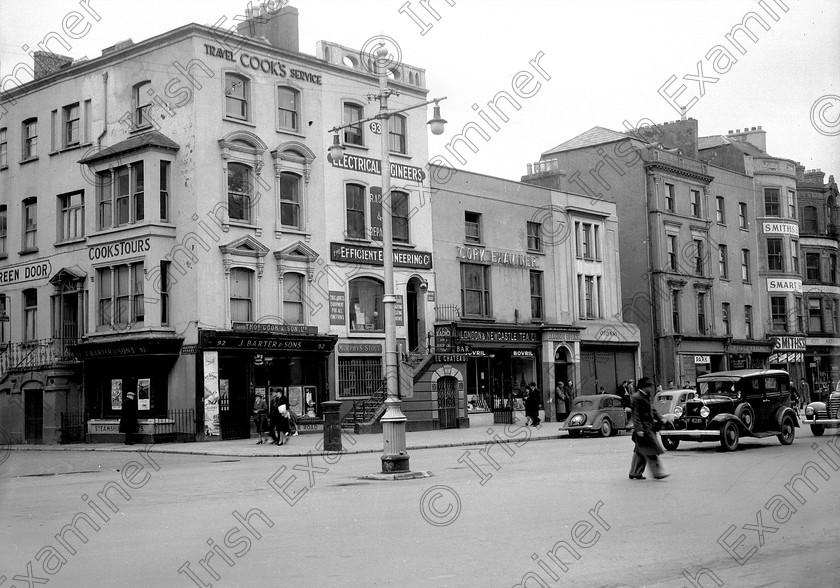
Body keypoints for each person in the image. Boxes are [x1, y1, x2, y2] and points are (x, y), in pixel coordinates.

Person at [629, 376, 669, 480]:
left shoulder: (646, 395)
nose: (651, 388)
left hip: (649, 427)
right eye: (649, 386)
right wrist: (639, 429)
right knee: (651, 450)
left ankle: (635, 472)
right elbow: (635, 415)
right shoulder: (636, 397)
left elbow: (653, 409)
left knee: (641, 451)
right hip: (644, 429)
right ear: (644, 387)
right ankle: (657, 473)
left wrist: (661, 418)